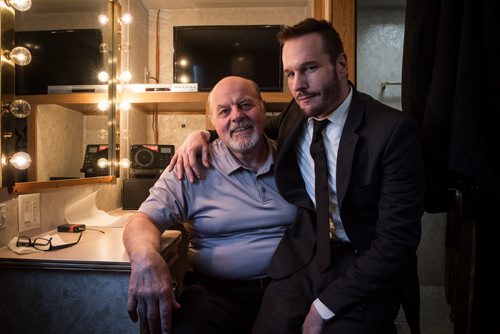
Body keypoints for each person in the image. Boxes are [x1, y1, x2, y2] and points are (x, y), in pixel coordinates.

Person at [168, 18, 425, 334]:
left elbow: (396, 243)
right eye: (290, 73)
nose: (297, 85)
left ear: (341, 64)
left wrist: (322, 308)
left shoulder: (394, 132)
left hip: (366, 261)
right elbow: (247, 127)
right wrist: (202, 135)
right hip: (308, 255)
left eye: (309, 69)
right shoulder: (297, 113)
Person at [123, 76, 297, 334]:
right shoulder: (190, 166)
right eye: (224, 111)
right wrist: (145, 258)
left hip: (290, 288)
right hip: (215, 294)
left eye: (245, 105)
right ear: (213, 122)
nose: (236, 116)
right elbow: (142, 220)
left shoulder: (296, 159)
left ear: (263, 108)